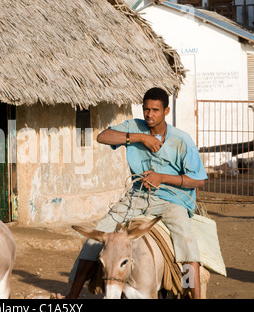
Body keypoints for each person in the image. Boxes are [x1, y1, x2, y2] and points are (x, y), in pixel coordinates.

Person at [61, 87, 207, 299]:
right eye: (146, 109)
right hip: (136, 198)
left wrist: (162, 177)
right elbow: (103, 137)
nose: (149, 114)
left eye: (155, 110)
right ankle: (71, 297)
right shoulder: (133, 127)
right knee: (98, 235)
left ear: (166, 111)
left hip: (171, 200)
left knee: (185, 242)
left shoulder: (181, 140)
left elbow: (199, 179)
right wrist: (140, 138)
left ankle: (193, 294)